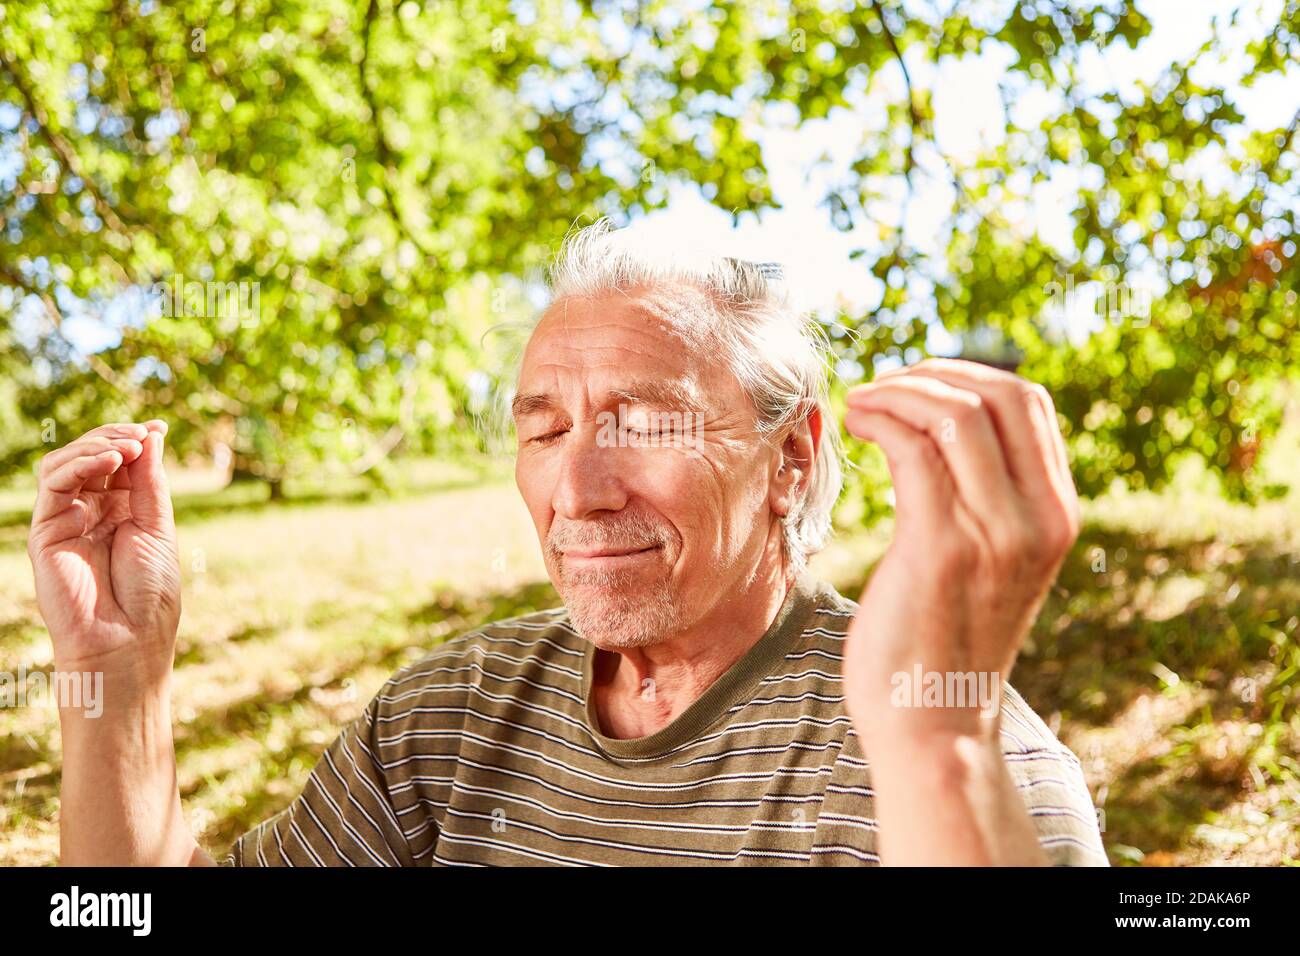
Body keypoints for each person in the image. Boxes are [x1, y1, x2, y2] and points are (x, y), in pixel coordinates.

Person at [27, 219, 1106, 866]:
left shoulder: (954, 753)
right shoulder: (445, 721)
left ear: (788, 458)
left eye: (642, 422)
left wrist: (942, 756)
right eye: (543, 428)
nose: (578, 493)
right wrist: (115, 684)